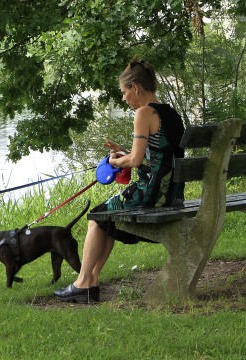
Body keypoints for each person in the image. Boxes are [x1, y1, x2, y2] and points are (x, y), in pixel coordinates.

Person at [54, 59, 185, 303]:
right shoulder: (171, 114)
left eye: (124, 92)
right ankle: (90, 281)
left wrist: (115, 162)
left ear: (135, 87)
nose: (124, 98)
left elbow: (136, 161)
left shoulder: (144, 112)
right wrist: (126, 153)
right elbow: (157, 158)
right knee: (106, 218)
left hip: (152, 194)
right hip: (172, 193)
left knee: (97, 216)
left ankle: (84, 283)